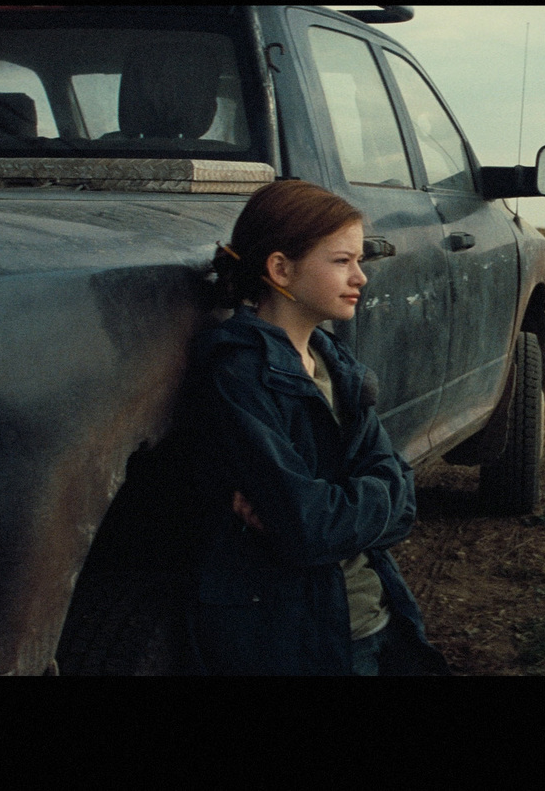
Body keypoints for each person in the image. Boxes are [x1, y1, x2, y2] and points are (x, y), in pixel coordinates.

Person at [183, 179, 448, 675]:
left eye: (359, 261)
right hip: (301, 639)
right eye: (341, 261)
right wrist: (358, 501)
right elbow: (311, 527)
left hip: (371, 618)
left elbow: (405, 501)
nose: (361, 278)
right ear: (280, 268)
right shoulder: (240, 376)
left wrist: (335, 508)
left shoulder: (333, 364)